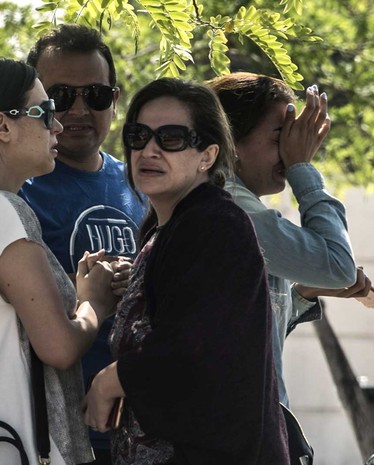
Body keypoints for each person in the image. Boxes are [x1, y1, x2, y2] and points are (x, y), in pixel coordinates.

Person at [83, 78, 289, 464]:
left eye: (172, 138)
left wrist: (109, 380)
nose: (150, 150)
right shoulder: (167, 229)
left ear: (207, 155)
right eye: (138, 136)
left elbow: (193, 351)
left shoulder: (214, 224)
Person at [0, 58, 116, 464]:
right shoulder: (4, 212)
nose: (57, 125)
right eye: (45, 112)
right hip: (17, 447)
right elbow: (59, 347)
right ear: (1, 126)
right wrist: (93, 301)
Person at [20, 25, 146, 463]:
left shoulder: (143, 181)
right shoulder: (15, 193)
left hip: (146, 431)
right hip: (55, 437)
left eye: (94, 95)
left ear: (113, 100)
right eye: (59, 95)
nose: (77, 110)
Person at [208, 72, 370, 405]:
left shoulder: (230, 202)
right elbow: (339, 266)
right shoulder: (232, 209)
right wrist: (302, 168)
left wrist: (303, 294)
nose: (289, 148)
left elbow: (253, 335)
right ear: (231, 142)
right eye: (281, 135)